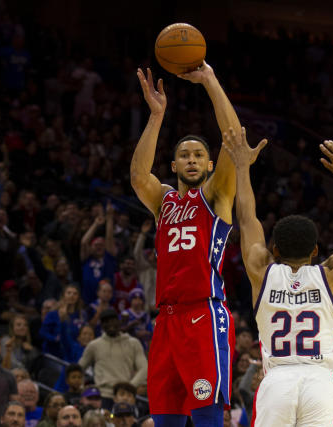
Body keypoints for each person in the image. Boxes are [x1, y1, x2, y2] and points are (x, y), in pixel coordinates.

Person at [223, 130, 333, 426]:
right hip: (320, 382)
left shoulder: (261, 271)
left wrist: (242, 166)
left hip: (277, 381)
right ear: (316, 250)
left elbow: (247, 217)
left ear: (274, 249)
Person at [131, 62, 248, 427]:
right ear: (175, 163)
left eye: (199, 155)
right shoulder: (163, 201)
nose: (192, 159)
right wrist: (156, 115)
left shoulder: (216, 195)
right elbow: (137, 176)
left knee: (207, 417)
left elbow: (232, 134)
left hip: (202, 315)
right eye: (185, 155)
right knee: (165, 418)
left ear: (210, 164)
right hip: (165, 319)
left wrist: (211, 81)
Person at [79, 308, 147, 408]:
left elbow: (144, 368)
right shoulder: (94, 345)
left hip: (125, 396)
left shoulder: (133, 343)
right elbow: (79, 368)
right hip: (102, 396)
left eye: (112, 320)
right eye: (106, 322)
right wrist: (82, 387)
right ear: (102, 325)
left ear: (118, 321)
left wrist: (130, 386)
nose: (110, 324)